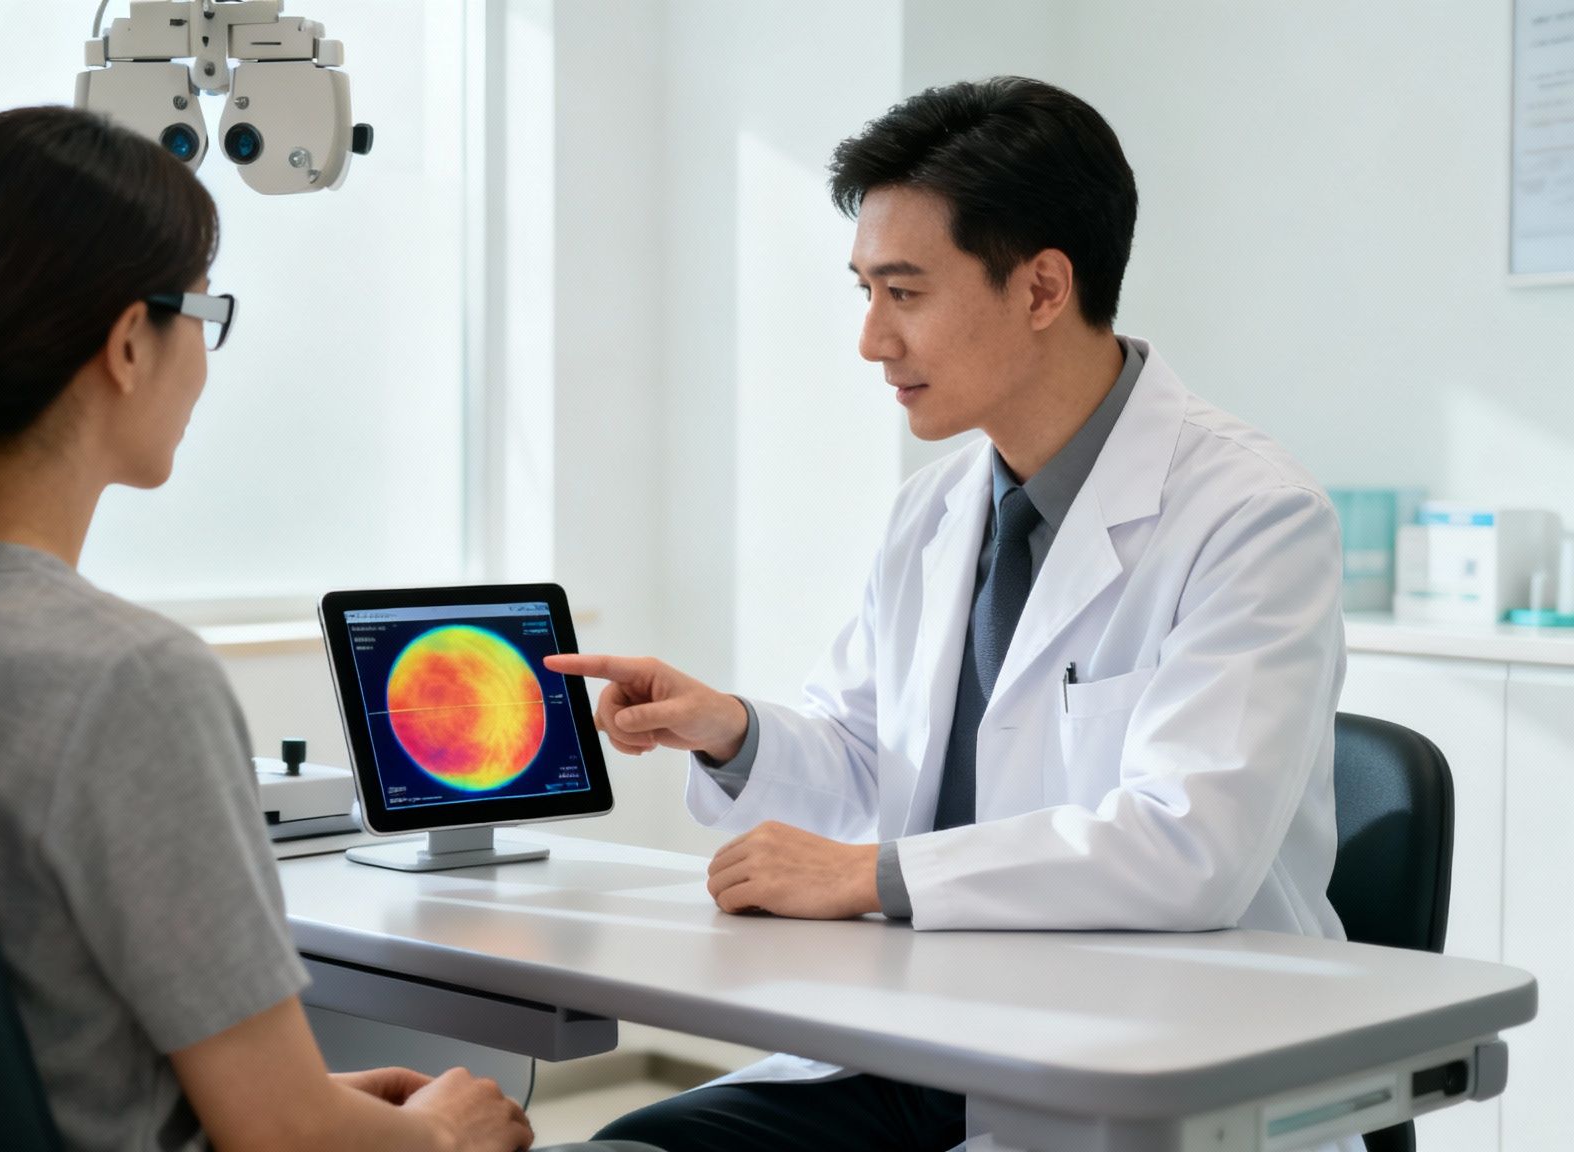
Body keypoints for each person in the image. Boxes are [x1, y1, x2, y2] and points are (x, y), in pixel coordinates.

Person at [0, 106, 653, 1152]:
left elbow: (64, 1044)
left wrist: (325, 1102)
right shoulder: (126, 677)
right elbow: (281, 1137)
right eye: (201, 310)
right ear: (125, 343)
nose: (203, 353)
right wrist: (440, 1137)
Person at [553, 77, 1351, 1152]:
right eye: (862, 292)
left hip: (1134, 1067)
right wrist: (733, 733)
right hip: (921, 1042)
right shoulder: (932, 512)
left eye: (905, 292)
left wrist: (871, 875)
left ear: (1039, 289)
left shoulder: (1250, 515)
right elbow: (867, 759)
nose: (870, 341)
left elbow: (1186, 846)